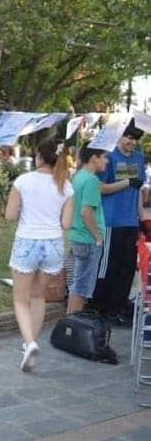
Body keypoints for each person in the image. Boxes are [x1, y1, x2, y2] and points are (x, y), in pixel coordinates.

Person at [5, 137, 73, 372]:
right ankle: (30, 344)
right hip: (53, 244)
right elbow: (65, 223)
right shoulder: (66, 186)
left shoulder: (23, 181)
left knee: (20, 299)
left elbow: (10, 215)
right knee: (38, 297)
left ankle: (30, 342)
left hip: (28, 242)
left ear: (40, 157)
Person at [89, 121, 147, 325]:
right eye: (129, 137)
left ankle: (118, 308)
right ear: (120, 136)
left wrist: (141, 218)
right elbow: (101, 188)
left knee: (127, 268)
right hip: (111, 221)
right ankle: (99, 308)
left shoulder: (139, 157)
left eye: (135, 139)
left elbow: (138, 190)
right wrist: (127, 182)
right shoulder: (109, 157)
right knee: (108, 268)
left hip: (130, 221)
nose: (132, 142)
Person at [67, 142, 108, 314]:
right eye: (104, 156)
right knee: (82, 288)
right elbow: (86, 212)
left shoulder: (79, 176)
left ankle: (69, 322)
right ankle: (73, 326)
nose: (106, 161)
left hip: (77, 236)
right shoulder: (91, 180)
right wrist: (97, 236)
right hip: (88, 239)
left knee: (78, 283)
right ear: (94, 158)